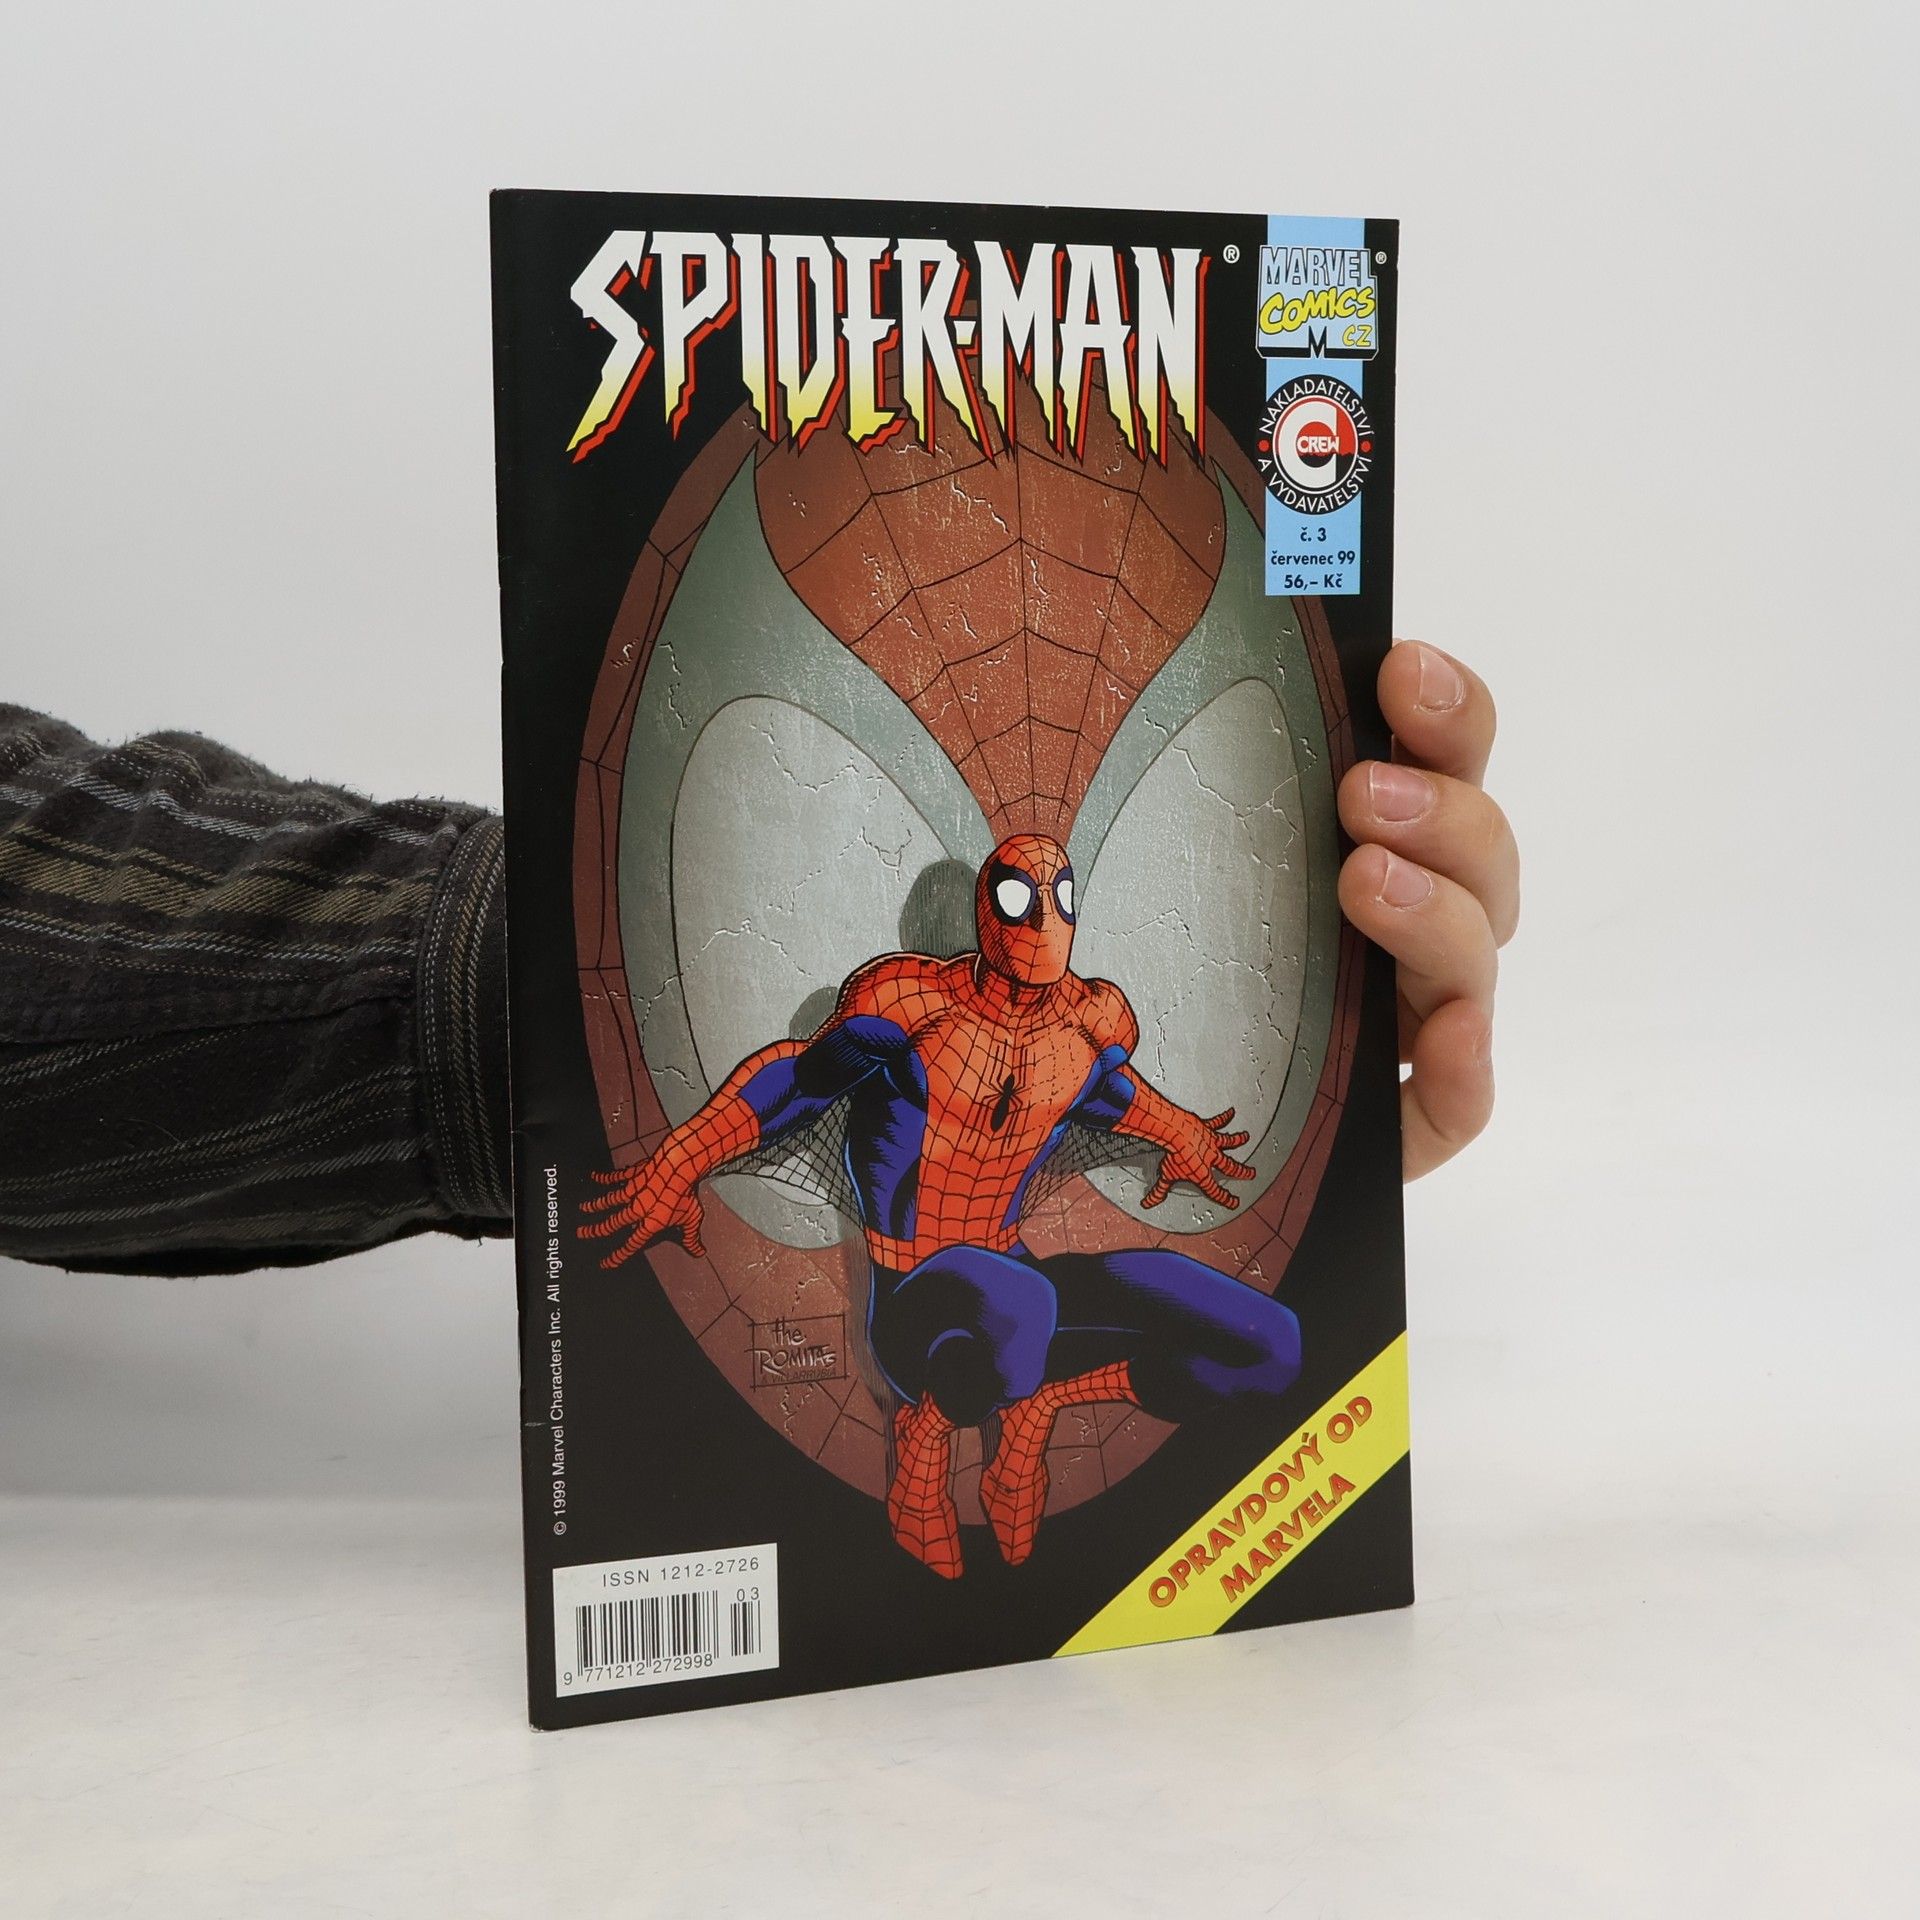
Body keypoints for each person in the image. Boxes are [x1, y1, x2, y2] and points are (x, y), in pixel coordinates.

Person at [0, 642, 1518, 1282]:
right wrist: (657, 1144)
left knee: (1230, 1348)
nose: (1039, 918)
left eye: (1058, 893)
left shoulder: (1098, 1021)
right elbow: (791, 1076)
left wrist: (1228, 1112)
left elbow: (1113, 1093)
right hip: (917, 1283)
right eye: (1014, 891)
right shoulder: (907, 1004)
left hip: (1015, 1278)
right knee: (1000, 1332)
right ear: (981, 904)